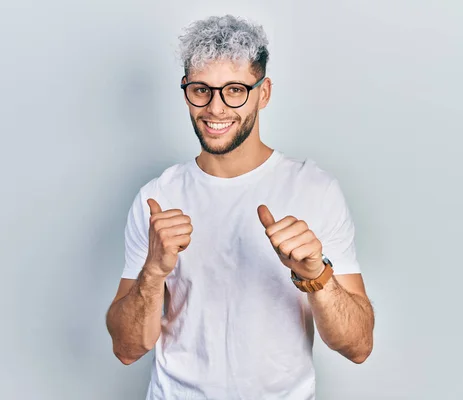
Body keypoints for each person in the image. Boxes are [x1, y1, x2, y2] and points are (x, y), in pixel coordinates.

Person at [105, 14, 375, 400]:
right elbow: (127, 349)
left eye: (234, 90)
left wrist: (316, 276)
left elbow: (358, 345)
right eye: (202, 90)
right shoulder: (157, 197)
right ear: (185, 91)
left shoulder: (315, 190)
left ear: (263, 93)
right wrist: (152, 272)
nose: (215, 108)